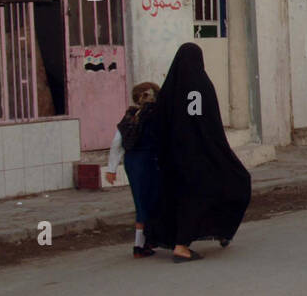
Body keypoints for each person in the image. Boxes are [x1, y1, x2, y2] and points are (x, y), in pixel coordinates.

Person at [144, 43, 251, 263]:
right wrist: (218, 150)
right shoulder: (201, 85)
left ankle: (158, 238)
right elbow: (207, 122)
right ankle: (184, 246)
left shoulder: (170, 89)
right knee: (234, 182)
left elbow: (159, 123)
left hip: (173, 157)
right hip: (199, 155)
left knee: (176, 196)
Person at [105, 82, 161, 257]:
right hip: (150, 162)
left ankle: (142, 243)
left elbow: (117, 143)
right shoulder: (155, 116)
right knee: (151, 200)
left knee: (140, 201)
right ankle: (141, 244)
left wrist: (112, 168)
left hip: (132, 162)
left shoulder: (129, 117)